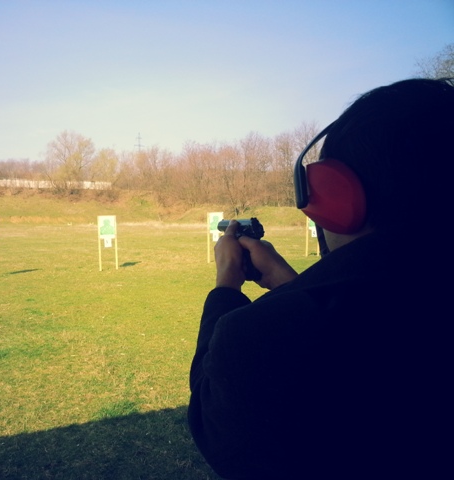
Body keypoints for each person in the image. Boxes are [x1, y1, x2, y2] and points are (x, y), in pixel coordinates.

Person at [188, 78, 454, 479]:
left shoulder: (258, 339)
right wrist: (288, 283)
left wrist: (226, 282)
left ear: (336, 197)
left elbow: (213, 419)